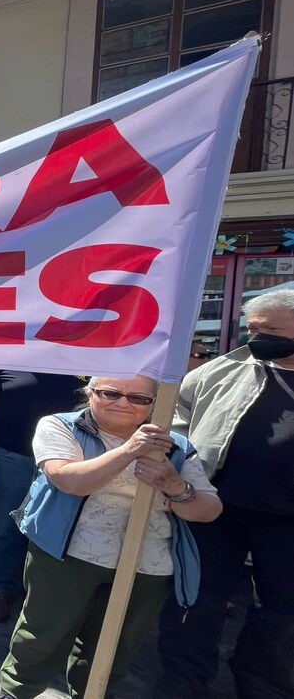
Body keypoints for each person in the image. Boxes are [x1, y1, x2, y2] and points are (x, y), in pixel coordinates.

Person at [0, 375, 221, 698]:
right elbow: (68, 480)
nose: (123, 403)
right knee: (42, 634)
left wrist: (176, 487)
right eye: (110, 393)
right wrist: (131, 450)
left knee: (111, 646)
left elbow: (209, 510)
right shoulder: (62, 427)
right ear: (89, 392)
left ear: (153, 404)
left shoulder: (176, 446)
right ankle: (16, 691)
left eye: (138, 398)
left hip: (146, 567)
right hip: (68, 556)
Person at [156, 289, 294, 699]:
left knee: (281, 609)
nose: (256, 337)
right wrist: (178, 466)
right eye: (251, 328)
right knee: (195, 598)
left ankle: (262, 683)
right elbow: (178, 413)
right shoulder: (223, 370)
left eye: (270, 330)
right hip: (214, 509)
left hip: (286, 521)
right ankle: (182, 682)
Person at [0, 369, 88, 622]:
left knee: (56, 526)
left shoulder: (84, 351)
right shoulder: (8, 350)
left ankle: (42, 597)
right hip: (13, 455)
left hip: (68, 459)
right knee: (3, 526)